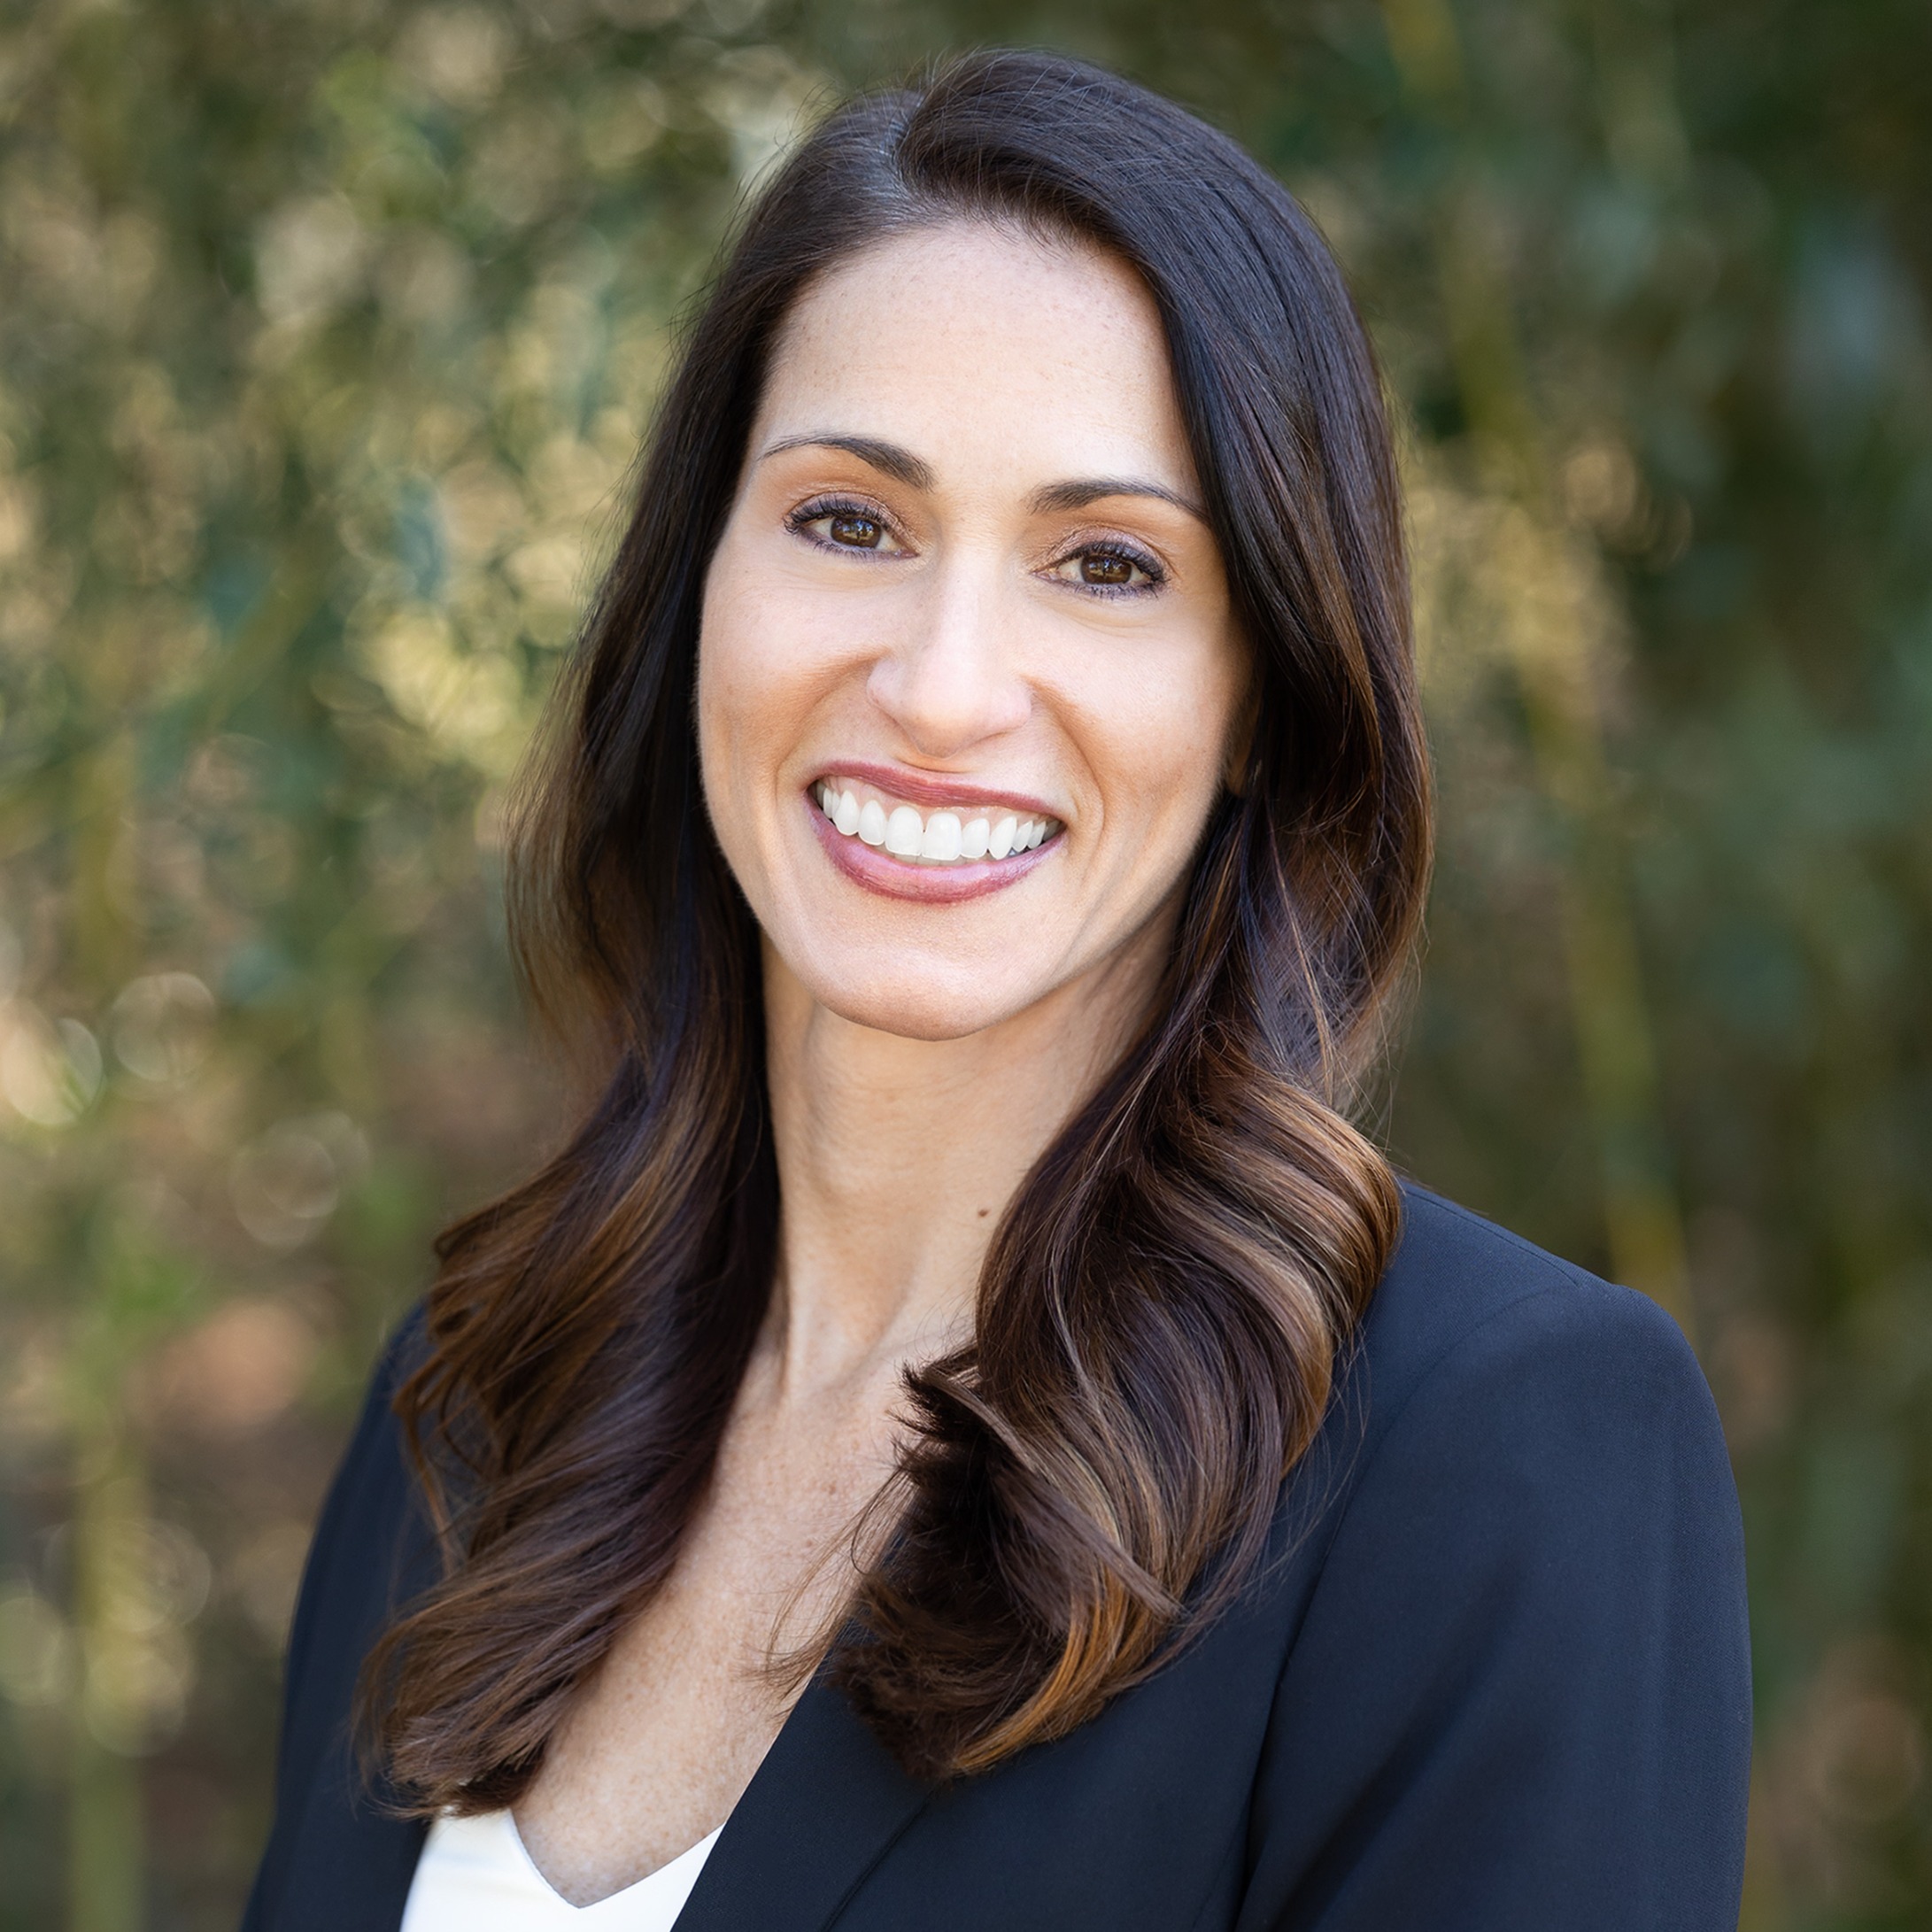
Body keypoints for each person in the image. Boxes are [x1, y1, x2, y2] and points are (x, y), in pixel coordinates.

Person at [241, 49, 1750, 1932]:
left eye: (1104, 565)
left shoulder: (1488, 1452)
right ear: (694, 584)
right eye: (847, 522)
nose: (945, 684)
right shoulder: (471, 1407)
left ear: (1263, 699)